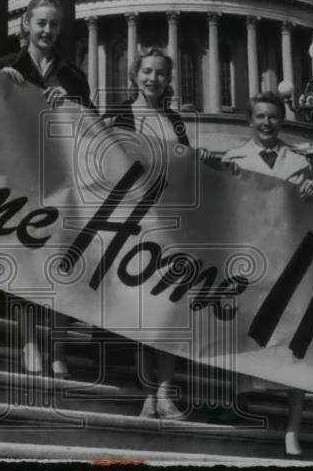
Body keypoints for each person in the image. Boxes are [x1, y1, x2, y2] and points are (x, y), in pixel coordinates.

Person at [0, 0, 92, 378]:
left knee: (60, 265)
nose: (47, 30)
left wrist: (74, 105)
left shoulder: (74, 77)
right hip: (18, 180)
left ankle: (58, 348)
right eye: (41, 23)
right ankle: (30, 342)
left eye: (54, 24)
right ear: (26, 24)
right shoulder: (5, 66)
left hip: (60, 181)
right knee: (26, 264)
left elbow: (92, 130)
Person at [218, 91, 313, 455]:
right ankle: (239, 404)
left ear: (282, 121)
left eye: (273, 117)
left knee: (296, 341)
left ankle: (292, 428)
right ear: (250, 121)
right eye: (260, 116)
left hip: (289, 257)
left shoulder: (300, 163)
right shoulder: (233, 159)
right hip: (249, 256)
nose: (266, 123)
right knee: (241, 333)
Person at [102, 47, 188, 420]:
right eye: (147, 71)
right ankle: (148, 392)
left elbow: (186, 169)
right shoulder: (119, 115)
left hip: (168, 223)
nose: (153, 78)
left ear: (168, 80)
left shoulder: (175, 121)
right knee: (140, 311)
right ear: (135, 75)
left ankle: (165, 392)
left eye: (161, 73)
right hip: (132, 222)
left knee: (168, 309)